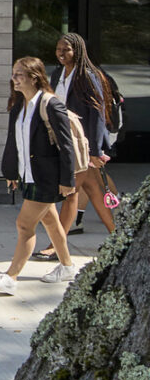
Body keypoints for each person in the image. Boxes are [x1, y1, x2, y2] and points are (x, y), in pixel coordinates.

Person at [0, 56, 79, 294]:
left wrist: (67, 181)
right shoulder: (18, 105)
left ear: (34, 78)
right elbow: (14, 141)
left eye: (19, 74)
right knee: (50, 221)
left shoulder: (50, 105)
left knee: (24, 225)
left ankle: (11, 277)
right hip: (28, 174)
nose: (14, 78)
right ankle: (67, 266)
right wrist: (11, 171)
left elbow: (66, 146)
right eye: (13, 74)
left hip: (47, 177)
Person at [28, 32, 118, 256]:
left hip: (81, 143)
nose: (61, 53)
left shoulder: (87, 76)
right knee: (92, 189)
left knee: (71, 193)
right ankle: (118, 240)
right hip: (64, 141)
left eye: (66, 49)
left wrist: (95, 149)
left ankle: (56, 247)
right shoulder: (58, 74)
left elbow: (97, 113)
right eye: (58, 49)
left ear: (77, 51)